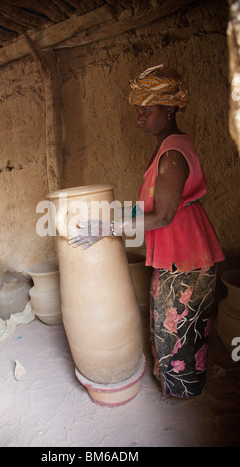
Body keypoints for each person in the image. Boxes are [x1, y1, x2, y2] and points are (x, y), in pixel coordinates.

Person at [68, 63, 225, 398]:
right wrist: (114, 213)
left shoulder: (172, 153)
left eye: (145, 111)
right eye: (138, 111)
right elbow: (151, 207)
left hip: (186, 258)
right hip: (179, 253)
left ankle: (183, 393)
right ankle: (178, 387)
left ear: (168, 108)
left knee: (179, 329)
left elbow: (164, 215)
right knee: (169, 326)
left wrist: (107, 228)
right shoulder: (167, 146)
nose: (139, 118)